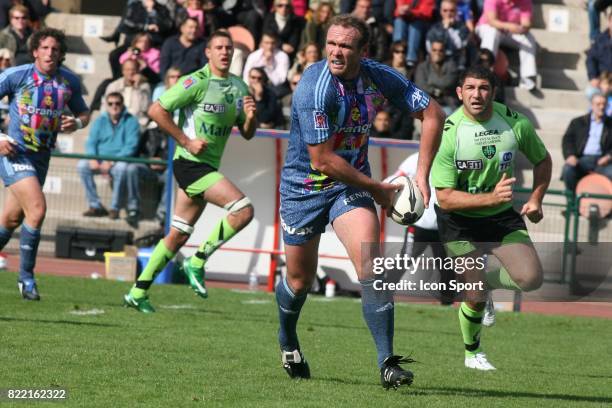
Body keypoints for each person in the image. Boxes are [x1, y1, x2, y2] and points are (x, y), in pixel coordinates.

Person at [277, 15, 445, 388]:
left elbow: (433, 113)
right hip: (303, 190)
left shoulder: (376, 75)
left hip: (348, 188)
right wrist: (379, 190)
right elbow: (321, 160)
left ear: (362, 50)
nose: (337, 51)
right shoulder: (313, 86)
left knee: (373, 266)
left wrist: (421, 176)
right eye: (332, 43)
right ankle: (287, 339)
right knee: (300, 280)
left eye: (346, 46)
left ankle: (387, 362)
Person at [123, 30, 257, 313]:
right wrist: (186, 141)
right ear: (208, 52)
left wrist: (252, 118)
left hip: (207, 165)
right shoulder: (195, 82)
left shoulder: (239, 88)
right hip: (189, 163)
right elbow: (156, 109)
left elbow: (247, 134)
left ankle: (137, 292)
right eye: (219, 47)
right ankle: (196, 261)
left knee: (178, 234)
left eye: (228, 48)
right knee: (243, 210)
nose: (224, 52)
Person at [431, 65, 552, 370]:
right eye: (470, 88)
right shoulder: (450, 133)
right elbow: (444, 197)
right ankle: (472, 353)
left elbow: (543, 160)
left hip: (500, 218)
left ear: (493, 92)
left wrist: (537, 198)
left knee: (531, 278)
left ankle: (485, 287)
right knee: (473, 290)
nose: (476, 94)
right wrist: (490, 197)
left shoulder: (514, 124)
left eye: (483, 88)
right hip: (457, 221)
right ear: (459, 93)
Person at [0, 28, 90, 300]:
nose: (50, 53)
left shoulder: (68, 82)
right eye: (45, 48)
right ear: (35, 50)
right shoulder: (18, 75)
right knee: (37, 209)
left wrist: (76, 123)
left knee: (12, 219)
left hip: (42, 158)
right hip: (15, 153)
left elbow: (85, 113)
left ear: (62, 54)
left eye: (55, 49)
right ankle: (26, 279)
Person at [385, 152, 455, 305]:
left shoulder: (451, 157)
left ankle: (447, 303)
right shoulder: (415, 158)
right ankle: (383, 294)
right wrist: (389, 190)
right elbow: (392, 180)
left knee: (447, 266)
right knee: (404, 260)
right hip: (417, 225)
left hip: (443, 226)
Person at [78, 93, 140, 220]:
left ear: (122, 105)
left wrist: (111, 161)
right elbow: (91, 142)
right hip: (100, 158)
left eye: (117, 103)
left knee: (121, 169)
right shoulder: (99, 121)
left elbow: (131, 146)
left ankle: (115, 208)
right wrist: (93, 158)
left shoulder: (132, 121)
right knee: (82, 166)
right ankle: (95, 206)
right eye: (110, 103)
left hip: (120, 160)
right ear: (106, 105)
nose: (114, 106)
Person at [476, 0, 538, 91]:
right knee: (492, 32)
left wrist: (523, 28)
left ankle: (527, 76)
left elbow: (526, 22)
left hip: (510, 32)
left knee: (529, 38)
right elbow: (492, 21)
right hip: (487, 27)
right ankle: (485, 71)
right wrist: (510, 26)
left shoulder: (525, 1)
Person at [561, 93, 612, 193]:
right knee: (568, 170)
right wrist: (570, 155)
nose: (601, 107)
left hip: (603, 162)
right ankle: (572, 204)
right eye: (598, 104)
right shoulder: (578, 122)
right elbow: (567, 140)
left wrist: (609, 156)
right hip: (581, 160)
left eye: (604, 104)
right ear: (592, 105)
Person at [414, 39, 459, 114]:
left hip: (448, 105)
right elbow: (421, 87)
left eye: (440, 50)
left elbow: (448, 83)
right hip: (426, 106)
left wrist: (430, 81)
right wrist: (436, 91)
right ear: (430, 51)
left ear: (444, 52)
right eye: (434, 50)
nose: (437, 53)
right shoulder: (422, 67)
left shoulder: (452, 65)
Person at [105, 59, 152, 129]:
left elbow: (144, 108)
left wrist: (137, 88)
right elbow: (105, 108)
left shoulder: (144, 87)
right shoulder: (113, 86)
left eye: (133, 69)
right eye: (127, 70)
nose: (130, 72)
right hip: (116, 124)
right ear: (123, 71)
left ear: (138, 71)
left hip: (138, 124)